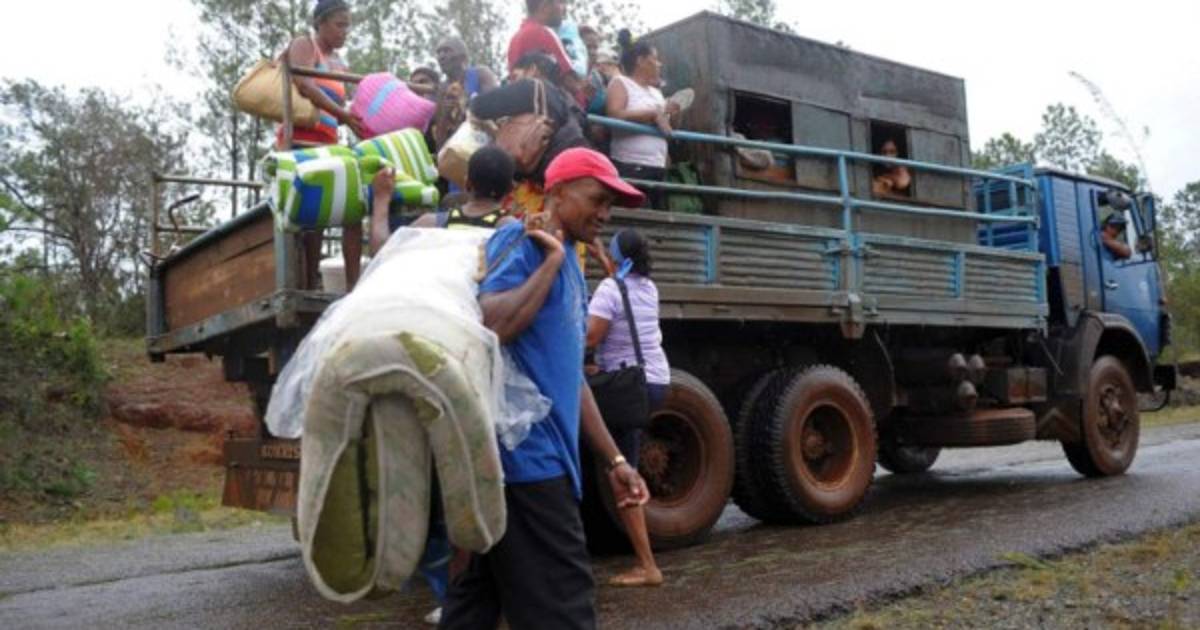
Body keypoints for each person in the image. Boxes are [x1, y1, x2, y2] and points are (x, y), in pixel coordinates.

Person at [439, 148, 650, 630]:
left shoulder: (570, 260)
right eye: (597, 199)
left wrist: (615, 460)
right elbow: (491, 325)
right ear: (557, 191)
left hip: (530, 464)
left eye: (611, 205)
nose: (605, 214)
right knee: (564, 609)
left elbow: (569, 375)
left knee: (474, 607)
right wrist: (550, 262)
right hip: (525, 464)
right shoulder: (522, 240)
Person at [585, 228, 668, 588]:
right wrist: (603, 260)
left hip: (627, 387)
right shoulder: (648, 287)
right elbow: (619, 289)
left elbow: (590, 336)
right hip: (653, 380)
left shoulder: (610, 289)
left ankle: (648, 567)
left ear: (620, 257)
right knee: (621, 462)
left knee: (620, 470)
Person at [277, 0, 367, 292]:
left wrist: (355, 118)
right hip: (300, 144)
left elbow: (340, 107)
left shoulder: (339, 64)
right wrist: (344, 114)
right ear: (320, 23)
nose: (345, 32)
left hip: (328, 145)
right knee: (306, 218)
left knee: (344, 210)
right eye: (339, 25)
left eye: (348, 26)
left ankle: (347, 285)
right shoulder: (305, 45)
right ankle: (304, 283)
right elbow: (305, 84)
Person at [470, 51, 589, 218]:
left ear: (533, 69)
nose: (512, 83)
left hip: (533, 187)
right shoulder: (567, 100)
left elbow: (480, 106)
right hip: (559, 183)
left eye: (514, 76)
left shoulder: (532, 87)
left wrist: (469, 99)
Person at [605, 30, 678, 209]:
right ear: (640, 61)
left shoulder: (656, 93)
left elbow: (665, 127)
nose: (659, 64)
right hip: (631, 166)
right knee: (635, 215)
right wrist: (652, 114)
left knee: (655, 218)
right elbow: (614, 114)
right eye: (655, 59)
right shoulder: (621, 83)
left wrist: (672, 114)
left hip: (657, 166)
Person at [431, 37, 499, 151]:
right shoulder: (442, 90)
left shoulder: (481, 74)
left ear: (462, 56)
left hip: (488, 145)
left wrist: (464, 103)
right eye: (439, 52)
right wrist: (445, 115)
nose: (441, 56)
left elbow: (495, 107)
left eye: (447, 51)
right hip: (459, 150)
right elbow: (440, 140)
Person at [507, 0, 576, 82]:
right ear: (545, 7)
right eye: (560, 2)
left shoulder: (515, 39)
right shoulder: (544, 34)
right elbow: (572, 80)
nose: (564, 9)